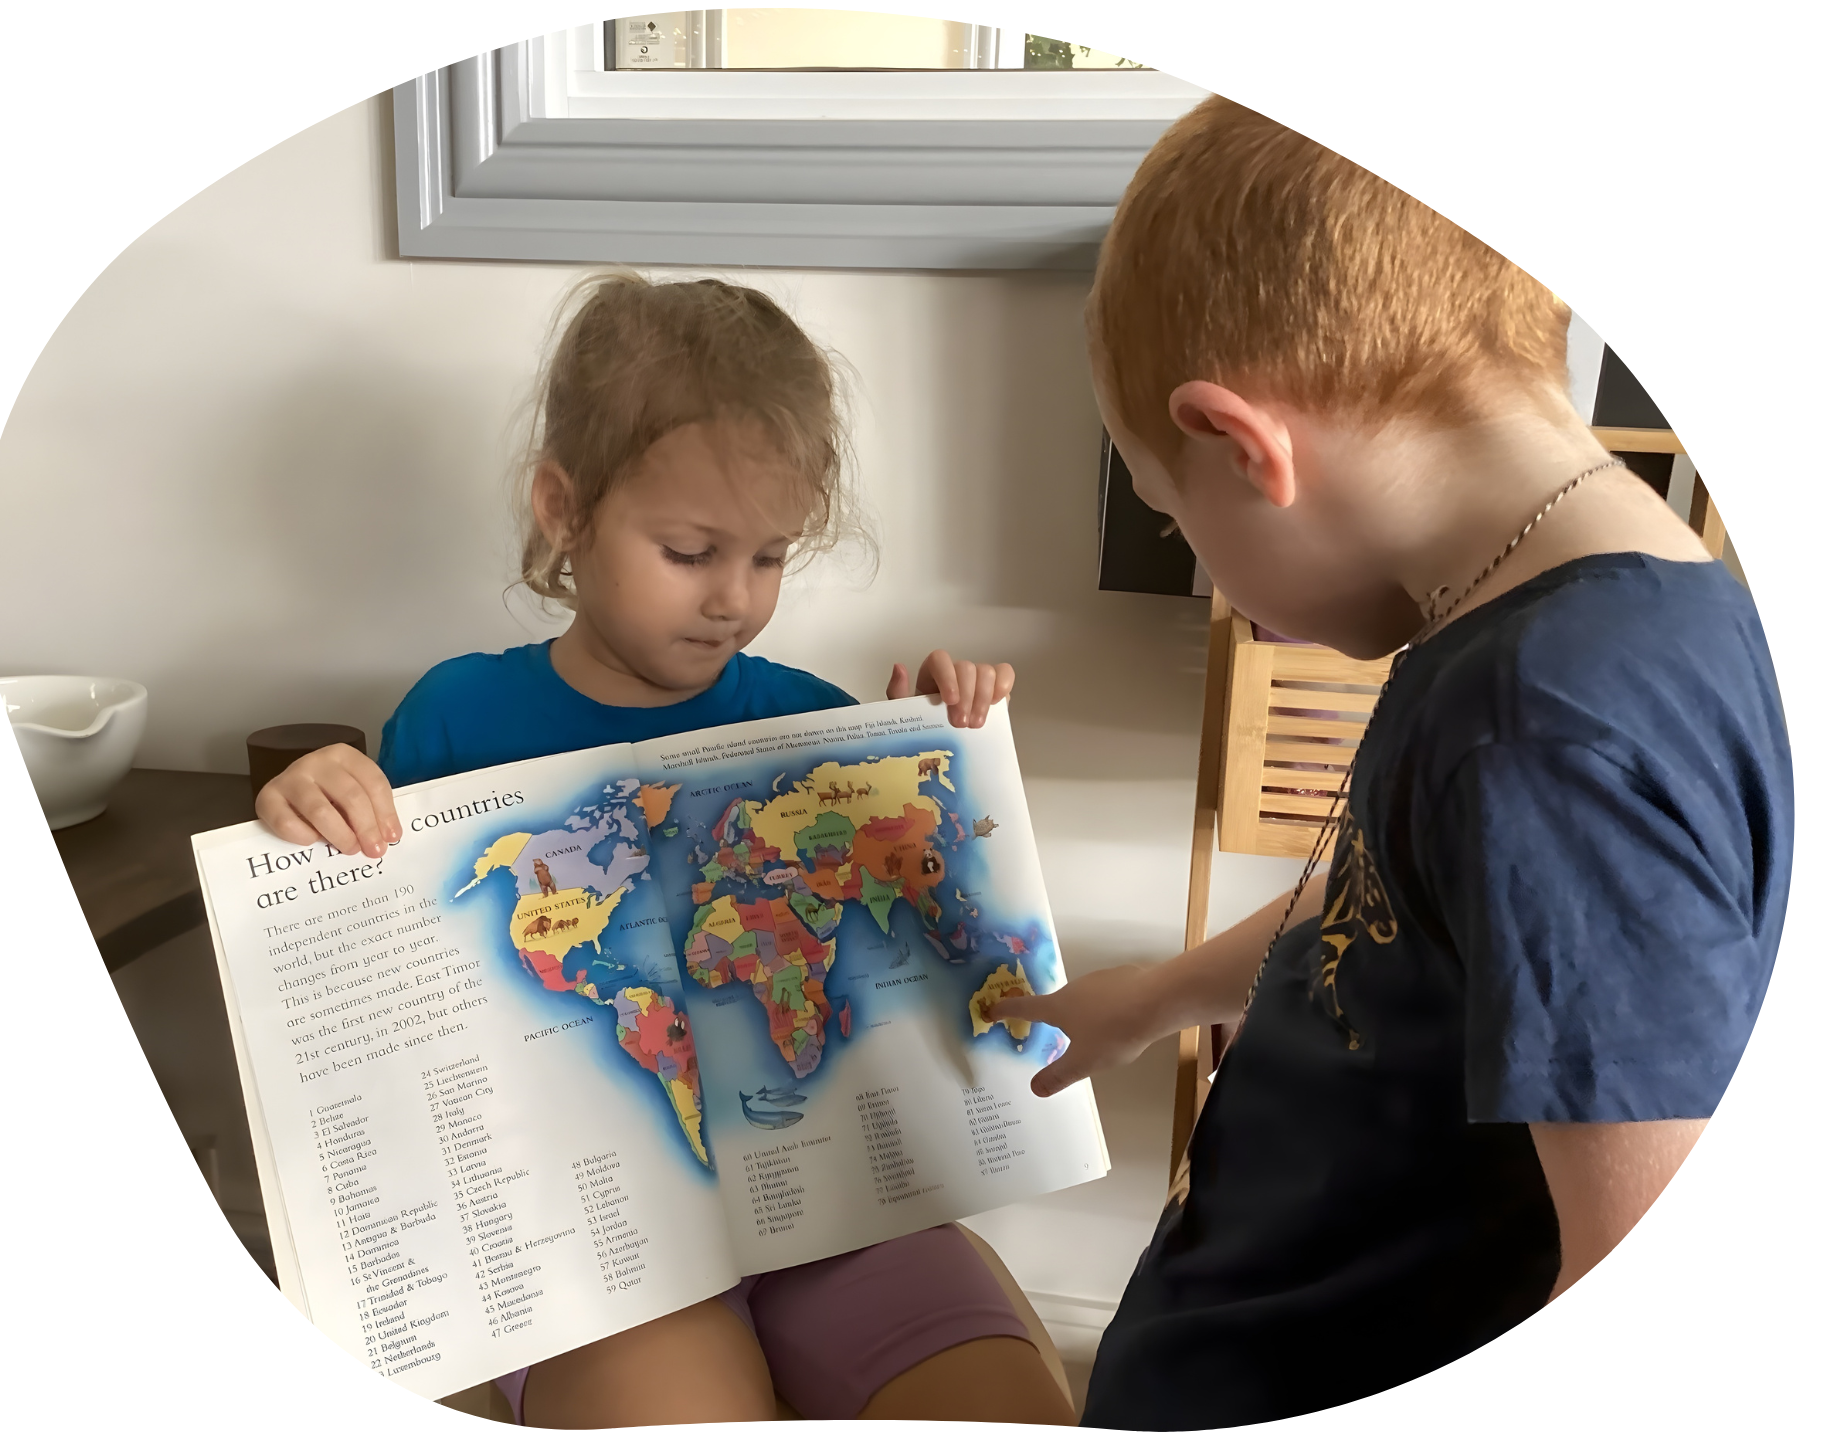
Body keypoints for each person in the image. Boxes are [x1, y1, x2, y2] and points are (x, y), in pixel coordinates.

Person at [992, 98, 1790, 1429]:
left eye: (1179, 518)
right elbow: (1395, 905)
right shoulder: (1538, 613)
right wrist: (1153, 998)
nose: (1213, 587)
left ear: (1247, 446)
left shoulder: (1550, 732)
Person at [255, 274, 1073, 1426]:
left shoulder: (808, 720)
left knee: (1005, 1400)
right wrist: (311, 807)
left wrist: (941, 760)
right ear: (563, 508)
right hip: (594, 1228)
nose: (735, 599)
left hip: (830, 1201)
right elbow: (378, 975)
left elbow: (915, 971)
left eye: (772, 556)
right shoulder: (454, 720)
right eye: (691, 551)